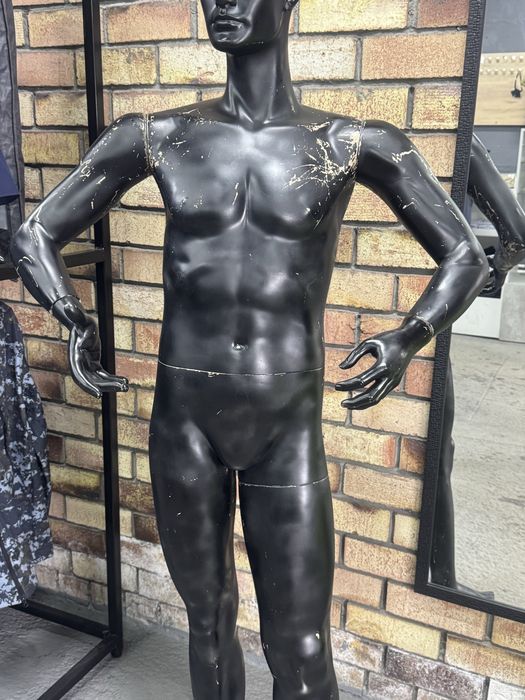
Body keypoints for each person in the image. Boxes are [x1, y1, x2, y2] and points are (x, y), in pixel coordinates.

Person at [10, 1, 489, 697]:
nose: (223, 4)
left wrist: (408, 335)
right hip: (184, 420)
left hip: (284, 424)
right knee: (206, 622)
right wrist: (73, 318)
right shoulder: (158, 135)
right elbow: (34, 234)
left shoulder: (351, 142)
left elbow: (465, 255)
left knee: (298, 645)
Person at [431, 134, 525, 593]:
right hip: (427, 317)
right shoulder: (460, 137)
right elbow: (518, 236)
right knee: (436, 453)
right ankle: (443, 579)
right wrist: (497, 268)